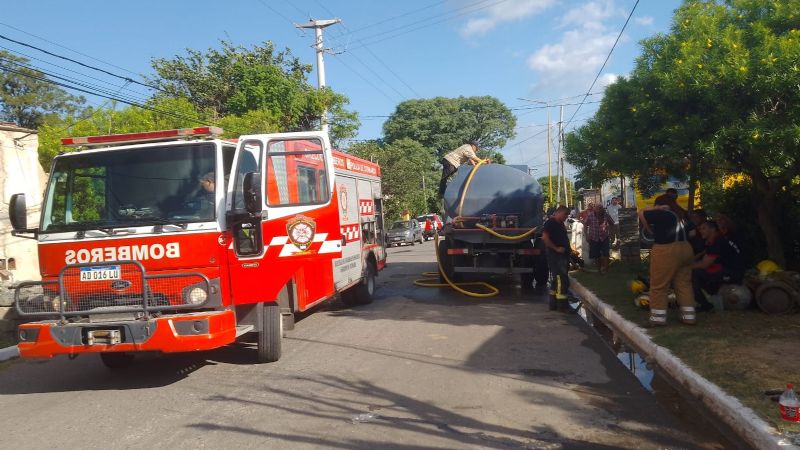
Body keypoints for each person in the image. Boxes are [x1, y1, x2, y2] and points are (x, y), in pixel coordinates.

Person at [638, 195, 695, 326]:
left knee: (659, 285)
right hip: (686, 249)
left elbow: (641, 213)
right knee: (684, 284)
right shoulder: (682, 214)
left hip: (666, 250)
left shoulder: (662, 213)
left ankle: (658, 319)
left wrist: (656, 209)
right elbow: (693, 234)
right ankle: (689, 317)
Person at [691, 220, 745, 312]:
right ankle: (712, 297)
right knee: (699, 272)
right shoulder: (718, 240)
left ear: (713, 230)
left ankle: (705, 305)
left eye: (704, 228)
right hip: (731, 270)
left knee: (693, 274)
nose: (701, 231)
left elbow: (704, 264)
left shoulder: (718, 242)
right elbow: (704, 255)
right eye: (700, 229)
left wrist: (684, 267)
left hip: (732, 273)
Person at [542, 205, 572, 312]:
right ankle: (562, 306)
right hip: (556, 257)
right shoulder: (550, 223)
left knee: (556, 281)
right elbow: (545, 238)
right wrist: (556, 248)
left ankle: (553, 304)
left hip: (562, 256)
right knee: (561, 281)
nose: (566, 217)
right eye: (565, 214)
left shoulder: (560, 224)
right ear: (559, 212)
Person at [582, 204, 614, 272]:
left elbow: (612, 224)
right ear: (594, 209)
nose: (599, 210)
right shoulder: (590, 215)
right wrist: (587, 235)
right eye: (597, 208)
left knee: (606, 254)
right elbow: (585, 225)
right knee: (596, 255)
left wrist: (611, 234)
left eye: (600, 208)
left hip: (604, 237)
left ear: (602, 209)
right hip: (594, 237)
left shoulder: (606, 215)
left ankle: (606, 270)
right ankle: (598, 270)